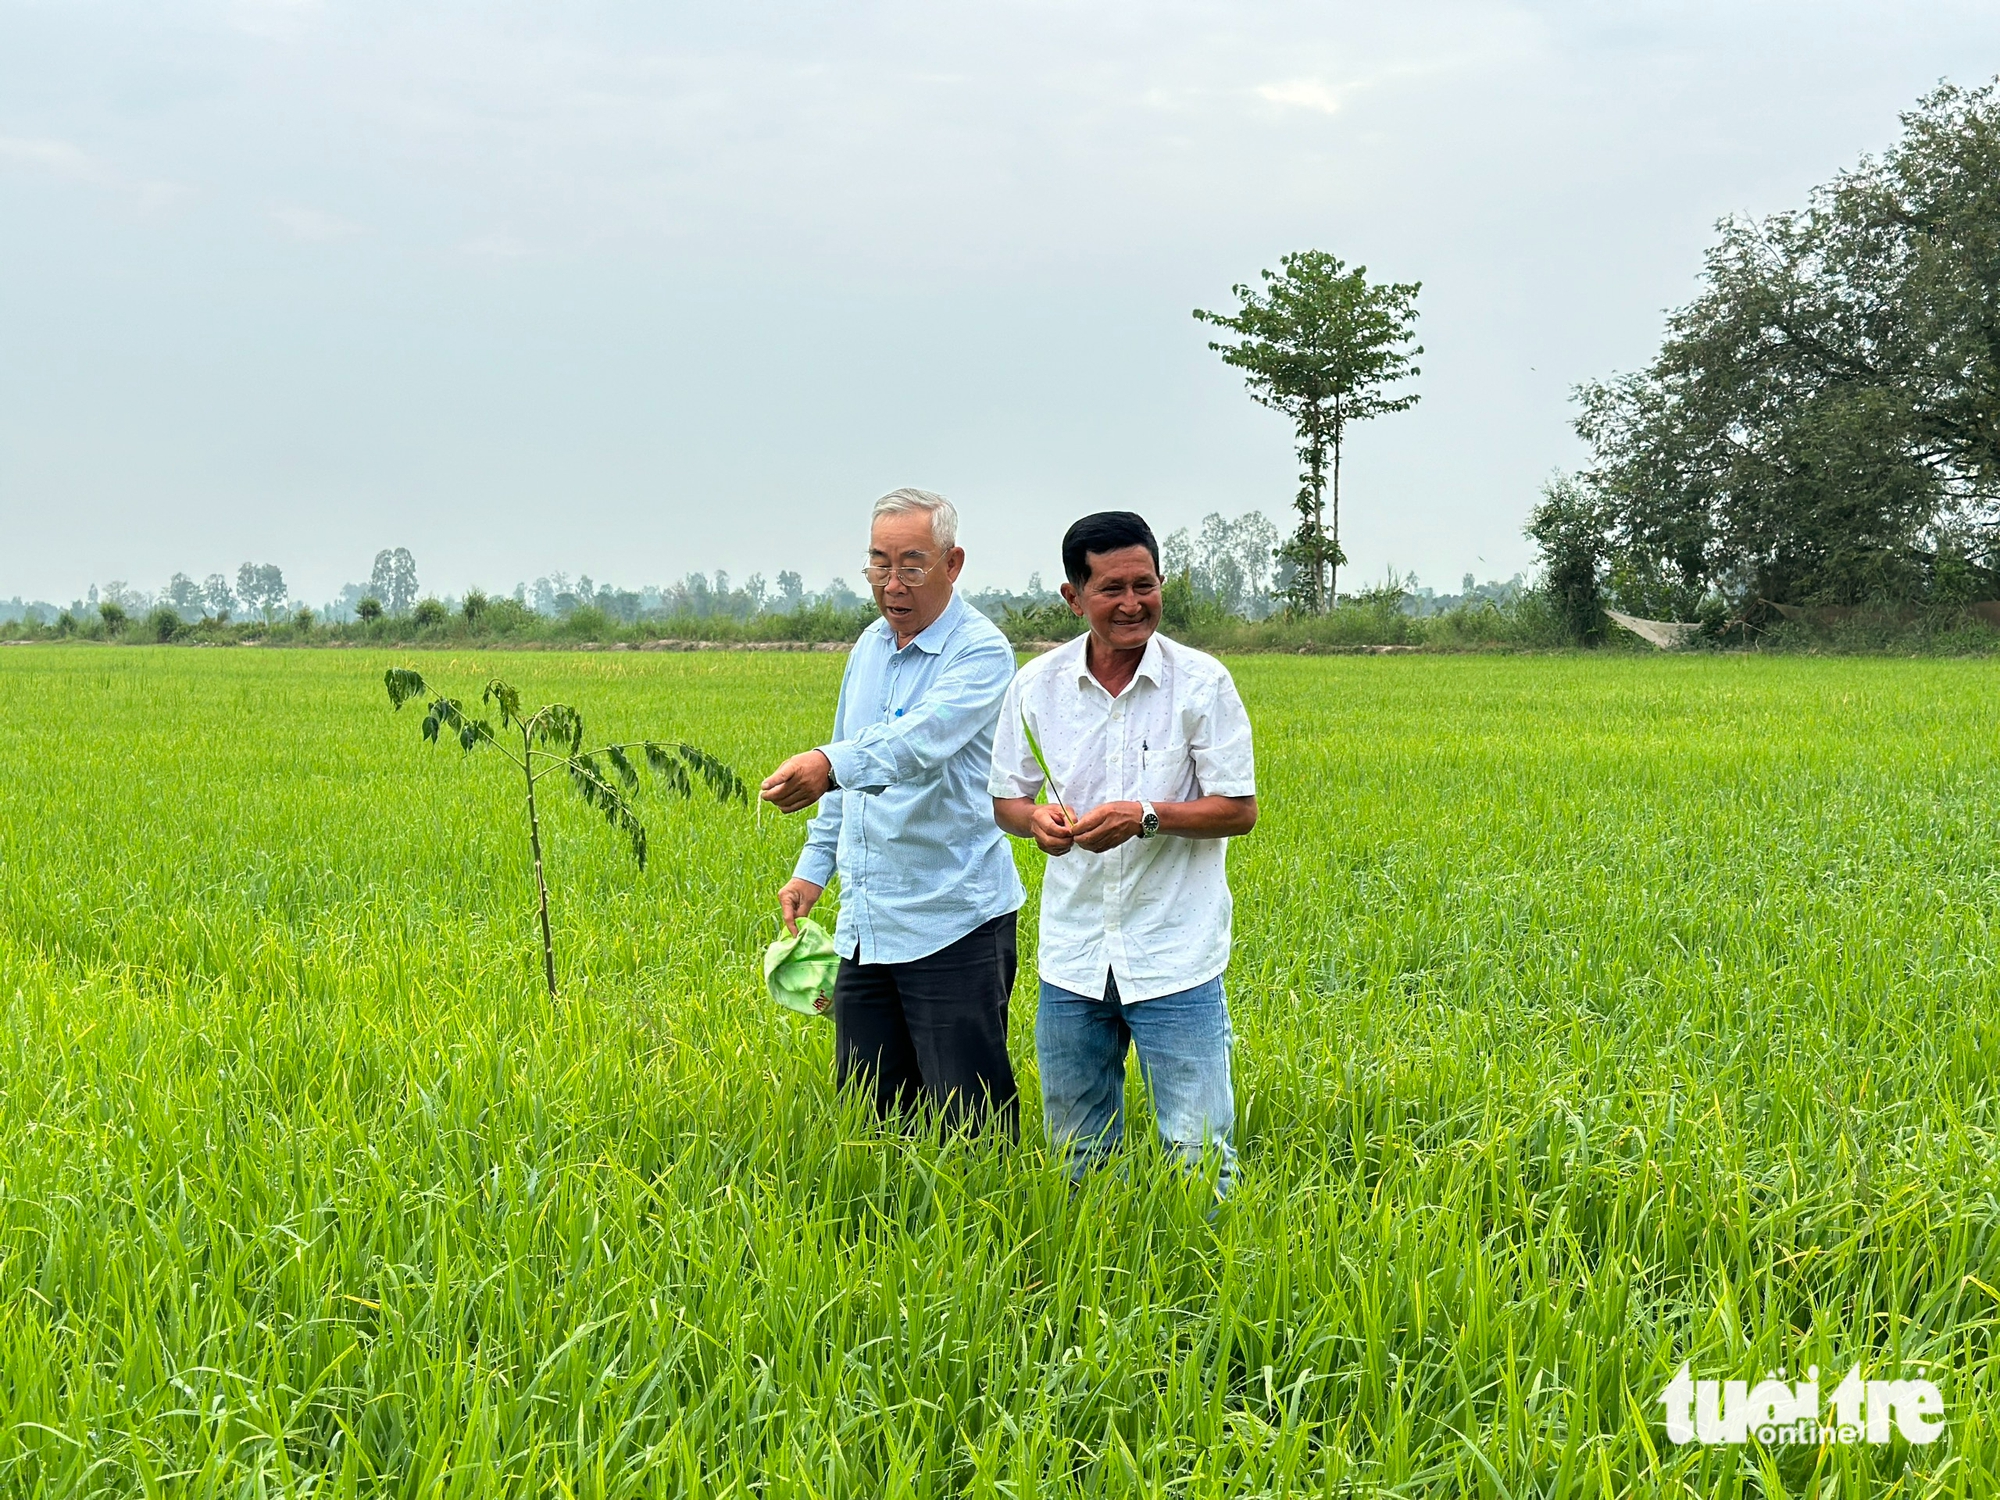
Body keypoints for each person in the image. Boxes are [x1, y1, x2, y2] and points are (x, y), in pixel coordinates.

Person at [989, 510, 1257, 1195]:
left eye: (1145, 585)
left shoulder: (1202, 684)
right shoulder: (1037, 687)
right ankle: (1095, 1254)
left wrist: (1146, 816)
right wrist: (1035, 820)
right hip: (1074, 958)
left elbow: (1238, 809)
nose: (1133, 603)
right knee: (1078, 1154)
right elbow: (1007, 800)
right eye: (1111, 588)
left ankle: (1208, 1261)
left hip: (1175, 956)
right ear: (1073, 597)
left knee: (1199, 1156)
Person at [762, 488, 1025, 1134]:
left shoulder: (981, 652)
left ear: (952, 564)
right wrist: (812, 870)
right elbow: (846, 765)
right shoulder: (869, 648)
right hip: (868, 925)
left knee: (971, 1125)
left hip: (953, 921)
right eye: (879, 563)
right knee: (871, 1118)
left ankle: (988, 1203)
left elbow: (915, 744)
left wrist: (828, 765)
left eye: (912, 564)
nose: (892, 583)